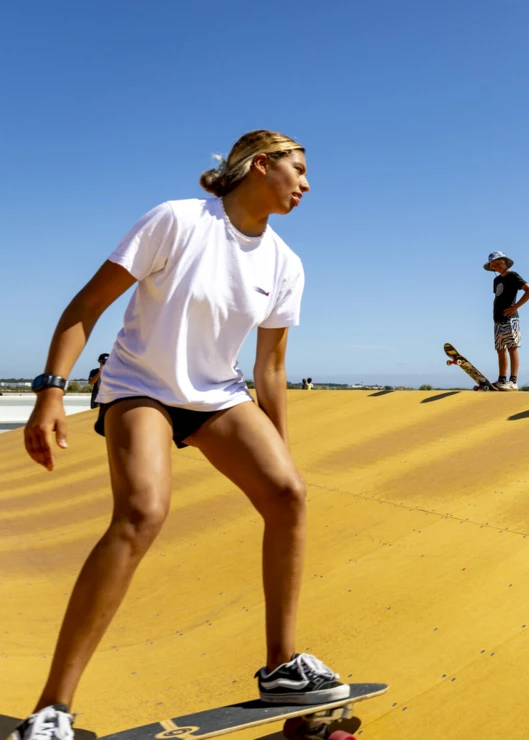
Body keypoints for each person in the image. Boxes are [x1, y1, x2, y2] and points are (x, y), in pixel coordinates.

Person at [14, 131, 349, 740]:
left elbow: (270, 369)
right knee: (142, 512)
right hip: (140, 385)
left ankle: (281, 666)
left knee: (288, 495)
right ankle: (53, 708)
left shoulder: (285, 264)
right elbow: (84, 307)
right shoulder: (178, 221)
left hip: (217, 394)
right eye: (297, 170)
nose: (306, 184)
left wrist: (278, 450)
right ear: (261, 165)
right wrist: (50, 392)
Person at [485, 251, 529, 391]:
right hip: (498, 319)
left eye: (498, 263)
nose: (496, 266)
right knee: (500, 349)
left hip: (510, 319)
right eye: (493, 265)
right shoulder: (496, 280)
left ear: (504, 261)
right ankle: (502, 379)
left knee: (512, 348)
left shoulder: (513, 275)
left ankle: (513, 380)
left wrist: (515, 307)